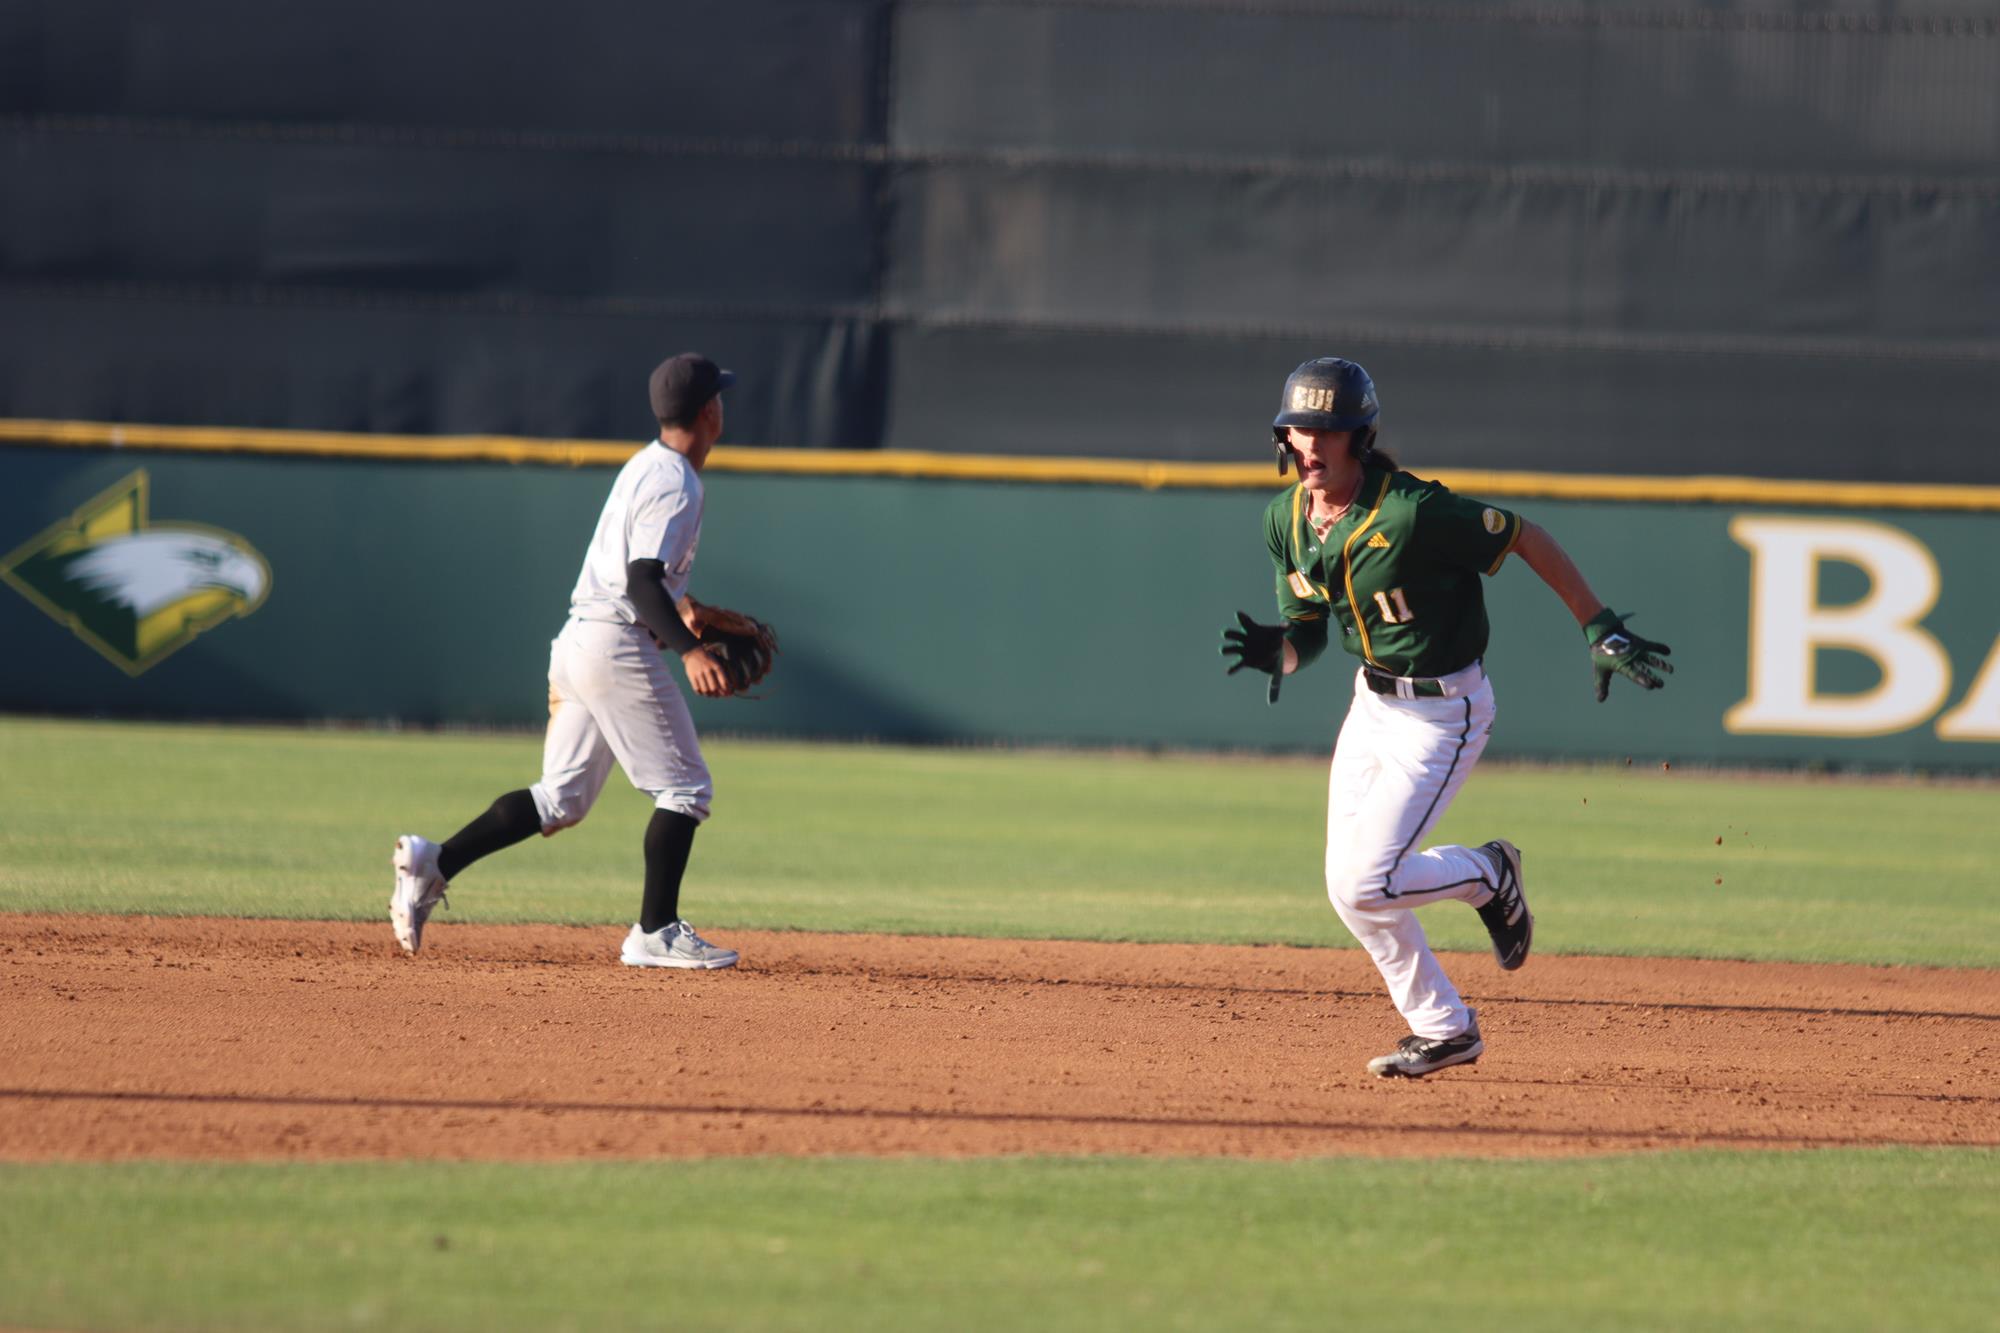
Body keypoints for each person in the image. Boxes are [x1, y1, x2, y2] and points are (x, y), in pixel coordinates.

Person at [1221, 357, 1671, 1078]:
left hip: (1444, 713)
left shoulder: (1412, 511)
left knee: (1368, 882)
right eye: (1300, 429)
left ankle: (1489, 873)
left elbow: (1523, 534)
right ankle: (1446, 1028)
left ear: (1359, 438)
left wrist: (1600, 625)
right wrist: (1283, 654)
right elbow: (1306, 627)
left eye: (1328, 431)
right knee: (1350, 890)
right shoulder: (1287, 521)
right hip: (1370, 706)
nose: (1312, 445)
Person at [390, 352, 744, 969]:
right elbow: (639, 582)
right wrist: (688, 650)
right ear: (710, 410)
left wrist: (683, 611)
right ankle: (654, 931)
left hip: (581, 639)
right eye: (720, 398)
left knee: (562, 799)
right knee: (685, 788)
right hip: (614, 641)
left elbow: (643, 580)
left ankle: (435, 861)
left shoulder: (646, 466)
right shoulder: (677, 482)